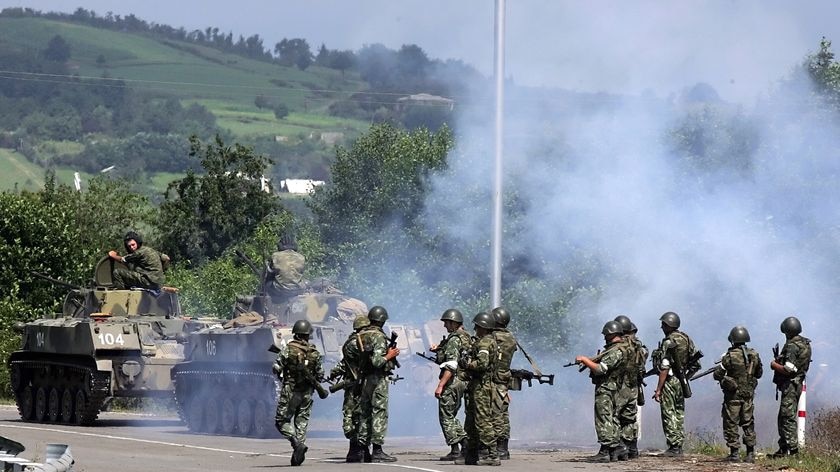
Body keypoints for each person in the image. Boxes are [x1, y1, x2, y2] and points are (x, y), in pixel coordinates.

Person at [576, 320, 630, 462]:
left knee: (604, 417)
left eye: (606, 334)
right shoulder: (622, 348)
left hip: (607, 388)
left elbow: (601, 369)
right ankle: (615, 449)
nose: (604, 336)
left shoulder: (616, 351)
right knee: (612, 418)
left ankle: (605, 451)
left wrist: (585, 360)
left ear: (610, 333)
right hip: (615, 388)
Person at [273, 320, 324, 466]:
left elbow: (276, 367)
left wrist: (281, 375)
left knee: (281, 421)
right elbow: (320, 374)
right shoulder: (314, 352)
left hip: (291, 390)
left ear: (296, 333)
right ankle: (298, 455)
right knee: (302, 422)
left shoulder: (289, 349)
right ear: (308, 335)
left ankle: (296, 444)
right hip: (307, 392)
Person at [652, 311, 700, 457]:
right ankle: (678, 445)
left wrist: (658, 389)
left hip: (670, 380)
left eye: (663, 324)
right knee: (679, 413)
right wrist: (685, 378)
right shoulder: (687, 339)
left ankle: (674, 447)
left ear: (668, 325)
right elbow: (696, 364)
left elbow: (664, 367)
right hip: (681, 381)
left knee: (669, 413)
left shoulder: (668, 342)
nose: (661, 327)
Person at [356, 306, 400, 462]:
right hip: (377, 379)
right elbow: (377, 361)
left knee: (365, 413)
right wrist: (390, 355)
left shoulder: (362, 334)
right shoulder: (379, 336)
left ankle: (362, 450)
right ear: (382, 320)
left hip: (365, 379)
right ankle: (377, 450)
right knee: (379, 412)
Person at [712, 326, 762, 463]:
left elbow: (717, 375)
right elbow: (759, 374)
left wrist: (722, 366)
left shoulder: (729, 356)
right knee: (748, 422)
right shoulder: (754, 355)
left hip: (733, 396)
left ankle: (734, 453)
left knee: (731, 422)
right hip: (748, 395)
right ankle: (750, 453)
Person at [459, 312, 500, 466]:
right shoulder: (488, 341)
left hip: (482, 386)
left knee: (483, 420)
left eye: (477, 326)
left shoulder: (484, 343)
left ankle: (492, 455)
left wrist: (467, 364)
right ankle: (472, 453)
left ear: (483, 327)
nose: (475, 328)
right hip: (478, 385)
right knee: (471, 420)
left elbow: (482, 364)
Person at [432, 308, 472, 461]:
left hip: (453, 381)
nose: (445, 326)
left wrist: (441, 385)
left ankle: (460, 446)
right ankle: (460, 446)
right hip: (464, 381)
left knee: (446, 415)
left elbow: (452, 365)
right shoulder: (467, 337)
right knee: (452, 414)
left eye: (447, 323)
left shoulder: (454, 339)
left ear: (454, 323)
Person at [769, 316, 811, 458]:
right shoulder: (804, 343)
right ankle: (783, 448)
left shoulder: (793, 345)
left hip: (791, 385)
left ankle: (793, 451)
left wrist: (774, 365)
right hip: (797, 383)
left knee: (787, 417)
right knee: (783, 417)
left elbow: (789, 370)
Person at [331, 315, 370, 463]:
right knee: (355, 415)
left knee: (356, 415)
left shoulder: (352, 342)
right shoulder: (356, 343)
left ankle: (360, 448)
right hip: (357, 384)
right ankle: (358, 449)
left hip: (356, 384)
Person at [613, 315, 648, 459]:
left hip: (622, 385)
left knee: (617, 415)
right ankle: (632, 448)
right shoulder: (639, 347)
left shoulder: (622, 347)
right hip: (634, 385)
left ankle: (622, 446)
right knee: (630, 417)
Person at [490, 306, 518, 460]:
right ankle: (503, 447)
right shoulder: (511, 338)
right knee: (503, 413)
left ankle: (498, 448)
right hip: (504, 379)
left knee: (495, 414)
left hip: (493, 379)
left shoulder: (494, 337)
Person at [267, 233, 306, 301]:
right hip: (297, 290)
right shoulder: (301, 257)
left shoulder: (275, 256)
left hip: (280, 290)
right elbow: (301, 273)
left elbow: (269, 273)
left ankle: (265, 300)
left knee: (268, 281)